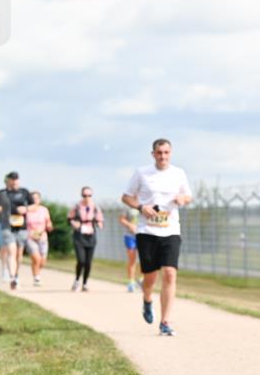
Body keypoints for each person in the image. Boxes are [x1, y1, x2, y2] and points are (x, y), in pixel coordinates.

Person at [121, 139, 192, 336]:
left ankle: (165, 321)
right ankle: (147, 299)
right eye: (159, 152)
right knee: (150, 277)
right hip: (147, 231)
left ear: (171, 153)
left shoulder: (178, 173)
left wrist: (182, 199)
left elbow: (188, 196)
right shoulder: (142, 173)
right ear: (153, 154)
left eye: (166, 152)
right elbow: (126, 196)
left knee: (170, 273)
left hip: (171, 230)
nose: (163, 156)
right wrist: (140, 207)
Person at [0, 172, 32, 290]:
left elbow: (34, 205)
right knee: (11, 251)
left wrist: (26, 208)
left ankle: (16, 275)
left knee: (19, 254)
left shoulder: (24, 192)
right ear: (8, 181)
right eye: (12, 180)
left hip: (21, 227)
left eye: (16, 180)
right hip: (6, 226)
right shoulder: (2, 193)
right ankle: (12, 277)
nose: (14, 182)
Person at [68, 187, 104, 291]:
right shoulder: (77, 206)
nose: (87, 197)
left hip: (91, 236)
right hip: (79, 236)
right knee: (81, 260)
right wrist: (74, 223)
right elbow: (69, 218)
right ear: (82, 195)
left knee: (88, 262)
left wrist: (100, 224)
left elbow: (100, 219)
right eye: (84, 195)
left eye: (89, 195)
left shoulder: (95, 207)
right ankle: (77, 280)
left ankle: (85, 283)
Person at [24, 191, 52, 284]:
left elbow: (48, 221)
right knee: (37, 259)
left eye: (36, 198)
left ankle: (37, 273)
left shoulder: (44, 210)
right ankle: (36, 277)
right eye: (33, 198)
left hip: (42, 237)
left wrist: (49, 225)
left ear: (40, 199)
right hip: (30, 237)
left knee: (42, 261)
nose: (35, 200)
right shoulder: (26, 210)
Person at [119, 206, 140, 292]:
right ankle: (131, 282)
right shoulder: (127, 206)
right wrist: (130, 225)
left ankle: (141, 280)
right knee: (132, 260)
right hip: (130, 236)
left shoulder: (145, 202)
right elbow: (121, 219)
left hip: (143, 235)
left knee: (145, 259)